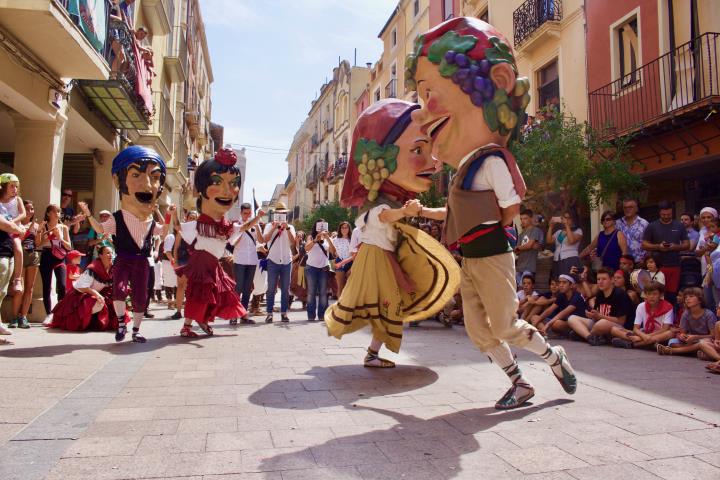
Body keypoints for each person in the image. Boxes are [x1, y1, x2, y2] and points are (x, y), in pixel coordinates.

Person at [407, 16, 575, 409]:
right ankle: (520, 384)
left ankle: (555, 359)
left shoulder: (490, 160)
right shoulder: (465, 168)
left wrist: (497, 240)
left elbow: (511, 206)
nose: (421, 111)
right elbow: (452, 214)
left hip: (492, 254)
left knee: (504, 326)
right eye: (420, 94)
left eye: (431, 91)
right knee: (478, 331)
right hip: (471, 257)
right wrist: (415, 212)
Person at [325, 99, 460, 367]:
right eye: (419, 148)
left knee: (388, 306)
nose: (433, 164)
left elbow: (426, 212)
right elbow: (383, 216)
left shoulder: (397, 201)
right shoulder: (376, 204)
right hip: (374, 258)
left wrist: (455, 211)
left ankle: (373, 353)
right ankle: (372, 354)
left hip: (383, 258)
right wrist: (405, 212)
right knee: (388, 306)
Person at [81, 145, 169, 343]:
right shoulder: (117, 218)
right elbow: (101, 229)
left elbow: (164, 231)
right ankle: (121, 323)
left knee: (140, 297)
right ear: (118, 181)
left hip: (141, 262)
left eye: (155, 177)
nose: (147, 185)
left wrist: (166, 213)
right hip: (123, 259)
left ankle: (136, 331)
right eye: (136, 174)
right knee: (119, 290)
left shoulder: (151, 222)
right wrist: (88, 215)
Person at [170, 149, 246, 336]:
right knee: (199, 295)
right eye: (217, 182)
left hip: (213, 266)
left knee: (212, 296)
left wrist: (257, 218)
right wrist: (172, 214)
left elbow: (242, 229)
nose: (227, 191)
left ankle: (202, 322)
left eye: (233, 184)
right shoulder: (198, 224)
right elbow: (179, 228)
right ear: (202, 189)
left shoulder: (225, 226)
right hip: (201, 266)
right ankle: (187, 326)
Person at [48, 246, 118, 331]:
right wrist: (97, 294)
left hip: (94, 294)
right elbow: (82, 287)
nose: (110, 255)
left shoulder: (113, 268)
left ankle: (95, 322)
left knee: (114, 301)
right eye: (107, 253)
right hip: (78, 296)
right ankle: (88, 323)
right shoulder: (93, 268)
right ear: (100, 255)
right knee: (95, 302)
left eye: (111, 253)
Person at [567, 268, 630, 345]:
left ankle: (584, 335)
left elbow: (621, 321)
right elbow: (598, 315)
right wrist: (592, 315)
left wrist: (599, 316)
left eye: (604, 279)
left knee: (601, 323)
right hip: (599, 324)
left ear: (612, 280)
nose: (600, 282)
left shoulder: (620, 294)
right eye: (598, 279)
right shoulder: (600, 293)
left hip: (617, 328)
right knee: (572, 318)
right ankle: (589, 337)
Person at [642, 200, 689, 301]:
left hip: (674, 265)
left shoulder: (679, 225)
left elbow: (687, 244)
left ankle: (671, 315)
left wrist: (674, 247)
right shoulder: (652, 226)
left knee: (672, 296)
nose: (666, 216)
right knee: (657, 294)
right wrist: (658, 247)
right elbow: (644, 244)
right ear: (659, 213)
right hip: (658, 266)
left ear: (672, 212)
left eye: (669, 214)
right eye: (664, 214)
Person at [609, 282, 675, 349]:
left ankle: (632, 344)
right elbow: (635, 328)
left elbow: (665, 329)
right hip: (644, 333)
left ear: (661, 295)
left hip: (659, 335)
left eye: (655, 294)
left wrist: (642, 337)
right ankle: (647, 344)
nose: (651, 297)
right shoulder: (641, 306)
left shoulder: (668, 307)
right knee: (614, 329)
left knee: (670, 333)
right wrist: (643, 336)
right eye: (649, 294)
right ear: (645, 295)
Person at [231, 203, 265, 325]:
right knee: (238, 288)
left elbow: (261, 240)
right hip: (240, 259)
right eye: (245, 213)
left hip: (251, 260)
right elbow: (235, 240)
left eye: (249, 213)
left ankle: (244, 315)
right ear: (241, 213)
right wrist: (256, 219)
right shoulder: (236, 224)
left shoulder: (255, 223)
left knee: (247, 289)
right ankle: (234, 314)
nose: (247, 215)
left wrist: (257, 228)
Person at [657, 287, 716, 355]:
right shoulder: (686, 314)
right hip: (690, 340)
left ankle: (673, 351)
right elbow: (682, 332)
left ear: (700, 300)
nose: (687, 299)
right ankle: (694, 350)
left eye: (691, 296)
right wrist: (682, 336)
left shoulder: (709, 315)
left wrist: (696, 337)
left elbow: (713, 335)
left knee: (704, 343)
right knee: (672, 342)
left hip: (704, 339)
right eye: (686, 297)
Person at [262, 202, 296, 323]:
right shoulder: (269, 225)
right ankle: (269, 313)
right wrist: (273, 228)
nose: (281, 214)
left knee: (285, 289)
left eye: (283, 213)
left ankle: (284, 313)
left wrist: (286, 228)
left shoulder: (290, 227)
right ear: (275, 214)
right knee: (271, 288)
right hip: (273, 260)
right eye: (279, 213)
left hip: (287, 261)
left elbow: (293, 242)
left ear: (285, 214)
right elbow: (265, 240)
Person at [9, 200, 40, 329]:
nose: (30, 211)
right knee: (18, 288)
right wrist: (27, 229)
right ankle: (14, 317)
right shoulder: (16, 224)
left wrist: (38, 231)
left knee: (30, 288)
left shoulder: (36, 225)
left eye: (32, 209)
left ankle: (24, 316)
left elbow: (38, 243)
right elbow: (17, 240)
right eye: (27, 209)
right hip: (19, 256)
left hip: (32, 256)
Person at [38, 204, 71, 321]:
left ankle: (60, 313)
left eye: (59, 211)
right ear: (48, 213)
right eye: (55, 211)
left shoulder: (64, 228)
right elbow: (38, 244)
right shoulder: (43, 226)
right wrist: (49, 236)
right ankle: (49, 315)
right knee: (47, 286)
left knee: (62, 285)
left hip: (60, 257)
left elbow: (69, 247)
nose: (58, 213)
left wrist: (60, 238)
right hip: (47, 255)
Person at [304, 219, 337, 322]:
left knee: (323, 292)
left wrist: (327, 237)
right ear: (316, 226)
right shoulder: (310, 237)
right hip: (311, 268)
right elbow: (306, 249)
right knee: (311, 292)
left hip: (323, 268)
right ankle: (311, 315)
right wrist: (315, 240)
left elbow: (333, 251)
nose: (321, 228)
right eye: (320, 226)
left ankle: (322, 315)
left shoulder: (328, 238)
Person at [0, 212, 26, 338]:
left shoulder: (10, 206)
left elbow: (22, 213)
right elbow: (4, 224)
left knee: (2, 292)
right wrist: (19, 229)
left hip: (7, 252)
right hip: (2, 255)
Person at [0, 173, 27, 295]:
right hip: (3, 229)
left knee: (17, 247)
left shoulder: (17, 200)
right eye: (12, 186)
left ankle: (17, 279)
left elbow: (23, 214)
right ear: (3, 186)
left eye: (16, 186)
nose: (15, 189)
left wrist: (13, 222)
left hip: (14, 228)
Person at [171, 209, 197, 320]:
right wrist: (175, 262)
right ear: (187, 219)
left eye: (195, 218)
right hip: (182, 260)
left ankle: (192, 311)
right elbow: (176, 247)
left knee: (194, 287)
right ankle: (178, 311)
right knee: (181, 286)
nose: (192, 220)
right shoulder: (182, 230)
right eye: (191, 218)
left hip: (195, 260)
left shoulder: (199, 231)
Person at [696, 207, 719, 311]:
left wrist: (706, 249)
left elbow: (712, 247)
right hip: (707, 269)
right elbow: (698, 252)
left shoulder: (716, 234)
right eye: (703, 217)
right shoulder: (702, 233)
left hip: (717, 268)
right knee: (709, 300)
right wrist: (706, 249)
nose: (706, 220)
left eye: (709, 217)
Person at [547, 211, 583, 277]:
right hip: (557, 259)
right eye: (565, 218)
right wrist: (550, 227)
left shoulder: (578, 231)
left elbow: (571, 240)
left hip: (570, 259)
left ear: (573, 219)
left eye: (568, 218)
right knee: (558, 280)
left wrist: (567, 225)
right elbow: (549, 241)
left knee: (568, 280)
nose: (566, 219)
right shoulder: (560, 231)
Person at [515, 209, 543, 285]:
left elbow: (530, 245)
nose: (522, 221)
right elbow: (517, 252)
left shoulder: (535, 230)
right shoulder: (521, 234)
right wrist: (524, 247)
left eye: (525, 218)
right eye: (521, 219)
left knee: (527, 289)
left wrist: (520, 247)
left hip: (529, 266)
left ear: (531, 218)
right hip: (520, 266)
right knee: (519, 289)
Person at [616, 198, 649, 264]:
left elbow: (649, 243)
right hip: (622, 263)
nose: (627, 209)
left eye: (630, 207)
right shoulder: (617, 224)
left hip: (639, 262)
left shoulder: (644, 224)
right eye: (625, 207)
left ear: (636, 209)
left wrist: (646, 260)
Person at [333, 221, 353, 295]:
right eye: (342, 228)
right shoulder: (335, 239)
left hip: (351, 263)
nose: (344, 229)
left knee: (349, 286)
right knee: (340, 286)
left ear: (349, 229)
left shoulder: (353, 239)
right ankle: (339, 305)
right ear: (340, 229)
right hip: (339, 262)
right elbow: (333, 252)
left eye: (346, 227)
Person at [290, 230, 308, 310]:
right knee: (292, 286)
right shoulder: (292, 246)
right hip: (294, 268)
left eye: (301, 236)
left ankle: (304, 303)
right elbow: (291, 258)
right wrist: (299, 253)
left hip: (303, 267)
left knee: (304, 286)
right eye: (298, 236)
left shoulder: (305, 245)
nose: (299, 238)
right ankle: (288, 303)